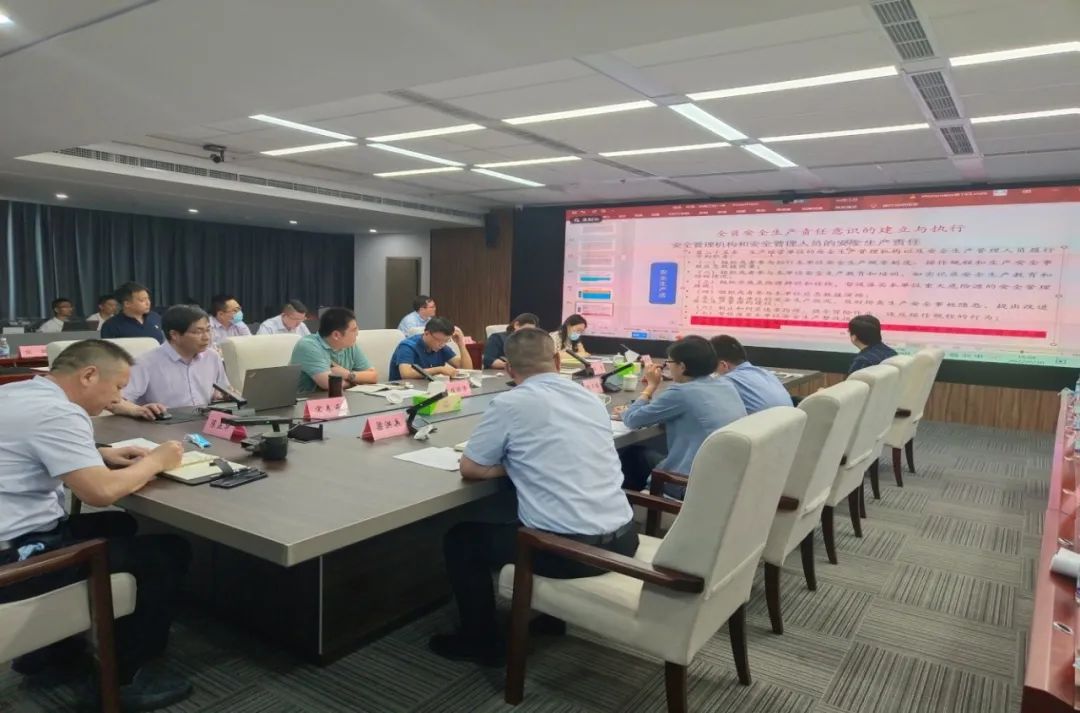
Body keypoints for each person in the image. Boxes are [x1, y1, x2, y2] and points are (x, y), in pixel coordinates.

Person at [0, 340, 192, 710]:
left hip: (13, 537)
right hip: (16, 561)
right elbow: (101, 492)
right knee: (169, 552)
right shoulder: (59, 413)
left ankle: (48, 655)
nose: (118, 398)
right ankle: (125, 679)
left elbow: (25, 449)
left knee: (118, 526)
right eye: (118, 387)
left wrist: (100, 454)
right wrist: (157, 460)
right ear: (89, 375)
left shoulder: (18, 393)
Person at [429, 328, 638, 665]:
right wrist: (531, 462)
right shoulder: (589, 398)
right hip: (625, 539)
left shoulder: (511, 402)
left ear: (509, 369)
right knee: (534, 512)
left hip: (570, 554)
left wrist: (517, 465)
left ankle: (480, 641)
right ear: (556, 360)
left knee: (461, 540)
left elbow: (471, 468)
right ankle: (552, 618)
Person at [616, 336, 747, 492]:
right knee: (640, 455)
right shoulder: (725, 384)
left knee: (629, 456)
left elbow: (632, 419)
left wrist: (650, 386)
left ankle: (637, 503)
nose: (667, 367)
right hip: (722, 481)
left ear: (682, 366)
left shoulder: (681, 393)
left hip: (687, 484)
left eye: (669, 362)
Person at [110, 305, 231, 414]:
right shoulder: (146, 362)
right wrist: (138, 410)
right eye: (198, 332)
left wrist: (221, 396)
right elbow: (115, 402)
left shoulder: (212, 357)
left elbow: (220, 390)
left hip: (204, 421)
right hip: (164, 425)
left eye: (208, 330)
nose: (207, 337)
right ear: (174, 335)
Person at [289, 307, 377, 393]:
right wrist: (358, 381)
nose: (357, 333)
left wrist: (348, 375)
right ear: (336, 335)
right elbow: (329, 384)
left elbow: (373, 376)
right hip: (306, 400)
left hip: (342, 398)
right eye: (354, 330)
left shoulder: (349, 345)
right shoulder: (309, 345)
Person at [710, 335, 792, 413]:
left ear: (723, 365)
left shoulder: (728, 381)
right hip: (791, 421)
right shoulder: (765, 373)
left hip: (765, 422)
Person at [389, 316, 473, 380]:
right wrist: (439, 370)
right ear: (426, 333)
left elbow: (467, 369)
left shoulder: (441, 347)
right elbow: (406, 374)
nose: (442, 344)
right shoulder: (408, 346)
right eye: (439, 340)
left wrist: (461, 344)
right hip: (403, 392)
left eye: (446, 341)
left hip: (429, 389)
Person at [100, 282, 165, 343]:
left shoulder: (155, 317)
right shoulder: (111, 326)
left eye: (148, 299)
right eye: (142, 300)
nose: (148, 303)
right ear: (127, 304)